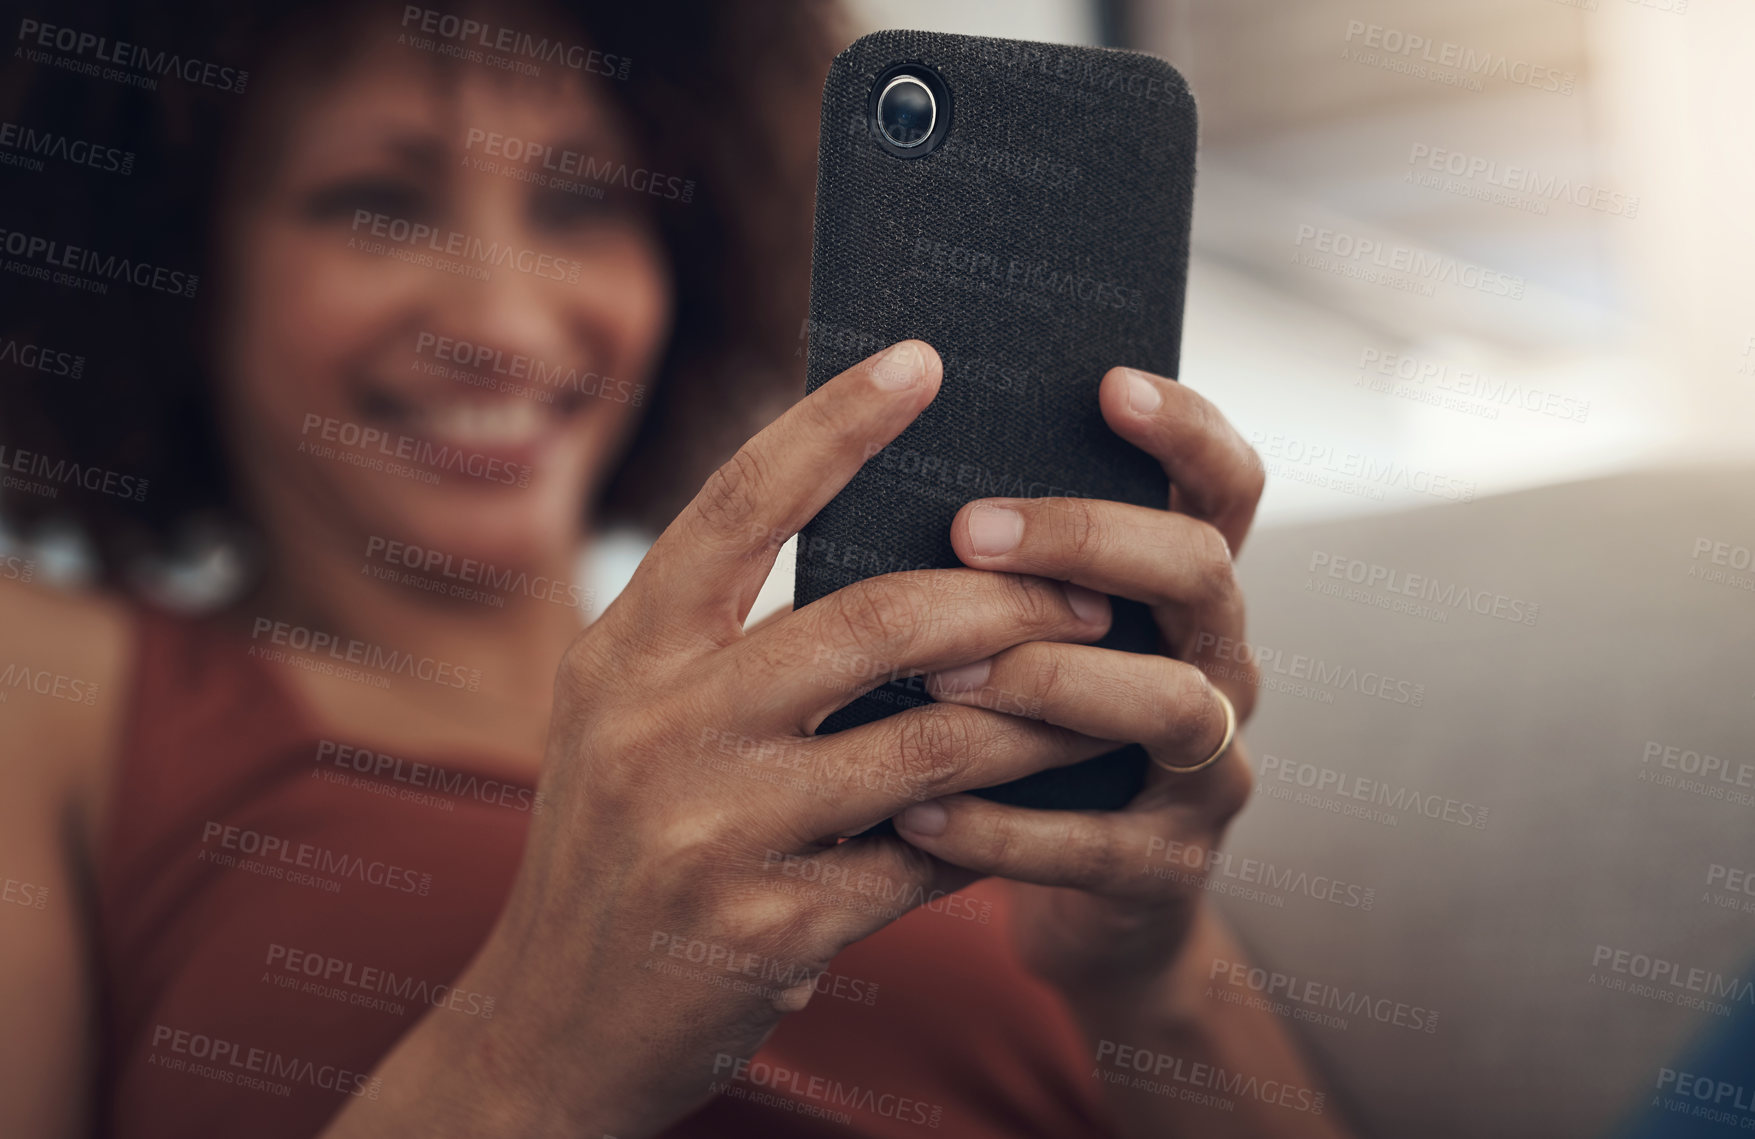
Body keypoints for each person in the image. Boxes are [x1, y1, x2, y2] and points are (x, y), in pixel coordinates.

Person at [0, 1, 1352, 1135]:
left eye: (581, 204)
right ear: (178, 260)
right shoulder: (55, 686)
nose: (501, 320)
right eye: (376, 202)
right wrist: (531, 1054)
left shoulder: (941, 724)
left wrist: (1152, 981)